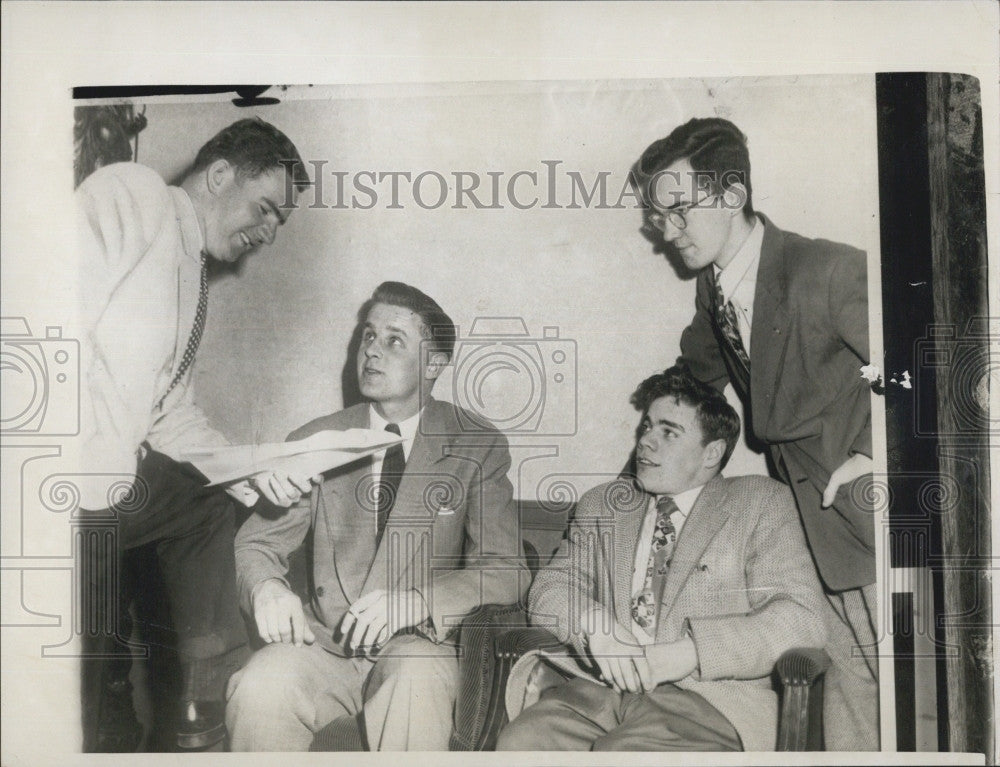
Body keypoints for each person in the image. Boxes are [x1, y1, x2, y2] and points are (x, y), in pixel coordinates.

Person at [633, 117, 878, 750]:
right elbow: (689, 385)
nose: (668, 232)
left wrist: (873, 454)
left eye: (680, 210)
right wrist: (634, 489)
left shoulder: (825, 269)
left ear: (733, 195)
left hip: (876, 519)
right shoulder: (714, 292)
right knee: (852, 703)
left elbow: (918, 362)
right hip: (806, 530)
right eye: (659, 217)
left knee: (919, 696)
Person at [74, 117, 314, 750]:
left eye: (277, 223)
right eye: (265, 209)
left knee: (204, 501)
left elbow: (171, 412)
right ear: (218, 175)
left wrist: (256, 467)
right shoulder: (132, 193)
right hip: (57, 486)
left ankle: (203, 709)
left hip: (110, 490)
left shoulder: (191, 273)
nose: (266, 233)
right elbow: (40, 321)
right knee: (76, 698)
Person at [226, 281, 527, 751]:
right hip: (326, 646)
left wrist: (419, 601)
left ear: (433, 364)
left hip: (418, 644)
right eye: (368, 336)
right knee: (260, 685)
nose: (371, 352)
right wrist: (265, 586)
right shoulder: (316, 439)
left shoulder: (475, 445)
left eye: (393, 340)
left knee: (415, 679)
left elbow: (507, 569)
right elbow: (258, 543)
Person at [497, 366, 826, 751]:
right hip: (599, 691)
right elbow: (551, 587)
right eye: (648, 426)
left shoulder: (759, 502)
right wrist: (595, 625)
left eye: (668, 432)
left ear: (712, 453)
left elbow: (801, 618)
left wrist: (691, 653)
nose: (646, 441)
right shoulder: (605, 505)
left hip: (708, 702)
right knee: (520, 742)